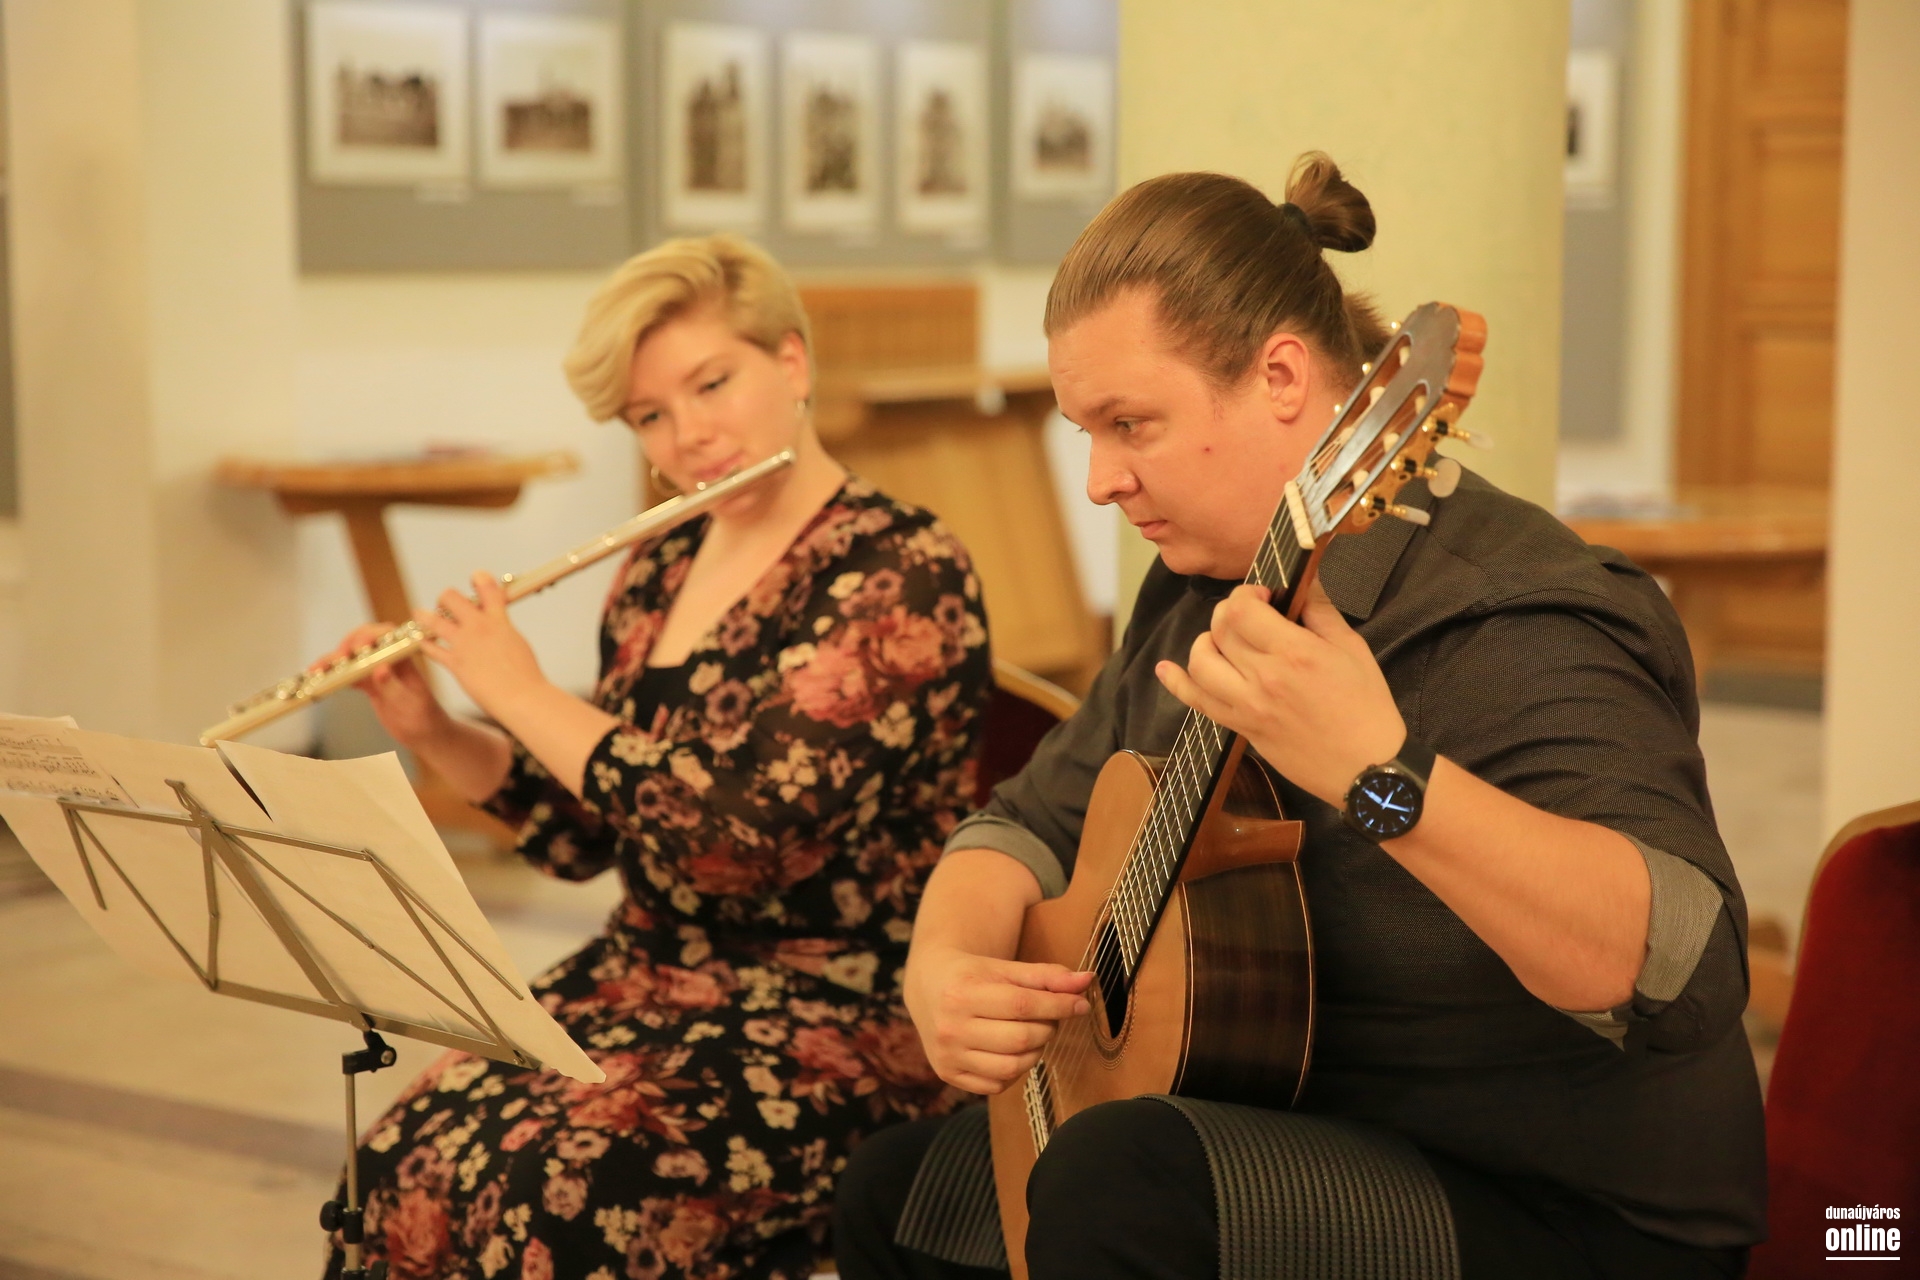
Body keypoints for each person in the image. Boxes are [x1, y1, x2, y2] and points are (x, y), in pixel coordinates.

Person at [832, 156, 1765, 1280]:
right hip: (1300, 1125)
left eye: (1131, 424)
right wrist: (942, 960)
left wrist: (1378, 775)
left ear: (1281, 375)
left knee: (1118, 1181)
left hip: (1561, 1203)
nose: (1099, 481)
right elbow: (1026, 821)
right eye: (1087, 431)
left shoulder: (1514, 613)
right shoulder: (1201, 584)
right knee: (901, 1190)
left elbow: (1682, 966)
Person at [321, 233, 991, 1280]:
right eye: (650, 416)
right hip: (646, 977)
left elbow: (743, 839)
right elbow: (593, 829)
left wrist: (522, 691)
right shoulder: (660, 563)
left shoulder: (900, 569)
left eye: (711, 384)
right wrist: (437, 729)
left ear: (792, 361)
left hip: (835, 1011)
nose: (690, 437)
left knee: (562, 1201)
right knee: (398, 1167)